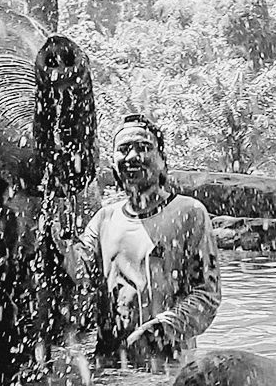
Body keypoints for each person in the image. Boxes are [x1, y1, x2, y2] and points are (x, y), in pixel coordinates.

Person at [69, 113, 220, 369]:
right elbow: (77, 278)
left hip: (170, 366)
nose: (132, 157)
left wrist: (158, 332)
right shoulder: (104, 218)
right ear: (113, 162)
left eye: (143, 147)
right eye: (124, 149)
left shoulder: (188, 213)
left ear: (162, 160)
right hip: (109, 367)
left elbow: (207, 296)